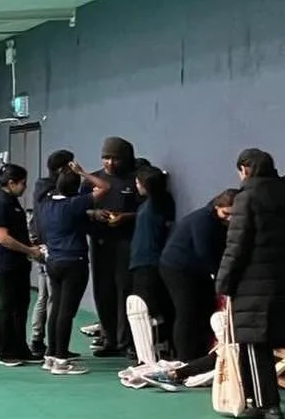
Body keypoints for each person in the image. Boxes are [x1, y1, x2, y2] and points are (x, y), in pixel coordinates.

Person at [216, 148, 285, 419]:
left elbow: (236, 245)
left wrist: (223, 281)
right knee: (261, 341)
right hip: (277, 277)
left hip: (249, 281)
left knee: (253, 344)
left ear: (245, 169)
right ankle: (259, 400)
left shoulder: (247, 197)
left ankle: (265, 403)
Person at [35, 161, 108, 375]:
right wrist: (82, 172)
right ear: (76, 188)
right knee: (66, 313)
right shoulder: (75, 204)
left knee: (56, 309)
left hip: (53, 262)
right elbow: (105, 187)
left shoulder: (47, 203)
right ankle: (61, 361)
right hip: (74, 263)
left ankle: (51, 356)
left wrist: (90, 214)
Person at [160, 189, 236, 362]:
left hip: (194, 268)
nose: (230, 218)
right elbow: (204, 251)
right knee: (187, 311)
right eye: (226, 213)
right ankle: (185, 358)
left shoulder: (214, 220)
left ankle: (200, 354)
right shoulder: (203, 220)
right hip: (178, 268)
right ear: (217, 207)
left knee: (203, 309)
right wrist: (219, 275)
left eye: (234, 215)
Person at [0, 162, 44, 365]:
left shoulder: (13, 202)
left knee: (21, 305)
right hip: (4, 262)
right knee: (8, 305)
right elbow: (3, 238)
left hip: (17, 262)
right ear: (11, 183)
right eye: (22, 183)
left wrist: (30, 247)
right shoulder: (0, 204)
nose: (24, 187)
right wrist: (30, 251)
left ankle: (20, 348)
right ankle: (6, 352)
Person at [88, 137, 140, 357]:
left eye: (115, 158)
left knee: (125, 290)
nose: (110, 163)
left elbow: (145, 211)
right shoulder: (93, 180)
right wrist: (94, 214)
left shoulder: (134, 180)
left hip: (125, 243)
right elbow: (77, 208)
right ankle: (109, 338)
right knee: (103, 291)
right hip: (100, 243)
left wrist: (125, 217)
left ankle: (126, 341)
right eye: (106, 158)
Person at [28, 149, 75, 357]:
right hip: (52, 248)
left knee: (45, 296)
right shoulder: (52, 191)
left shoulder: (41, 188)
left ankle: (42, 341)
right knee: (51, 299)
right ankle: (47, 344)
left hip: (44, 246)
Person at [129, 164, 177, 356]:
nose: (136, 185)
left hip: (149, 263)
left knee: (149, 308)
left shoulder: (158, 203)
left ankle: (156, 350)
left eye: (138, 182)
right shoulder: (149, 204)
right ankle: (153, 349)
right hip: (143, 261)